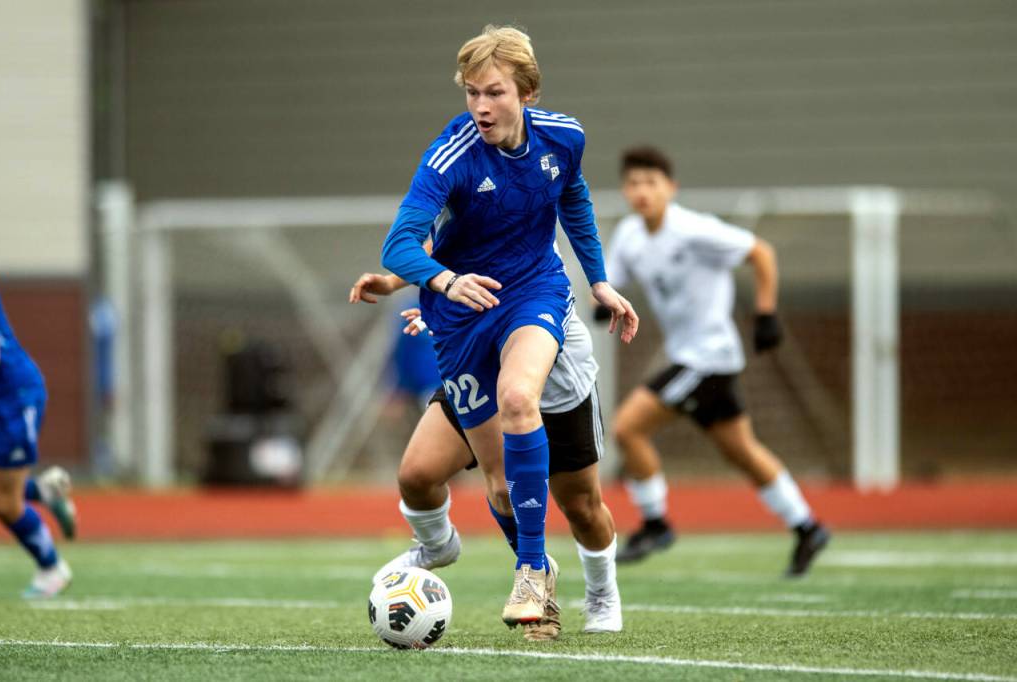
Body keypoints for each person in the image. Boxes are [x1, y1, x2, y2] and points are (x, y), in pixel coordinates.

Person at [379, 25, 637, 629]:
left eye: (494, 92)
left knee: (568, 480)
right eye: (472, 93)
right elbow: (399, 243)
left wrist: (598, 280)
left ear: (528, 92)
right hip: (465, 318)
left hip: (534, 295)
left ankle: (575, 585)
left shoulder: (563, 137)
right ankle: (515, 568)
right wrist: (442, 282)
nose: (481, 107)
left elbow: (573, 198)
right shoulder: (451, 154)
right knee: (494, 488)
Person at [351, 271, 622, 640]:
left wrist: (599, 283)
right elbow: (433, 249)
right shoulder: (449, 233)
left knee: (581, 506)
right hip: (479, 359)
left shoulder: (526, 239)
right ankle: (443, 547)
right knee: (419, 474)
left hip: (550, 373)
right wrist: (410, 290)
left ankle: (601, 593)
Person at [605, 146, 830, 576]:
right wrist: (606, 303)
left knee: (627, 428)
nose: (642, 191)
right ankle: (808, 527)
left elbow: (761, 252)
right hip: (693, 357)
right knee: (741, 451)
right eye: (633, 183)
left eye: (651, 182)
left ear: (671, 188)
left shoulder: (693, 229)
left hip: (707, 357)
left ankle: (655, 524)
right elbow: (611, 281)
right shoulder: (630, 235)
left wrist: (766, 314)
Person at [0, 280, 76, 597]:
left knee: (3, 502)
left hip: (12, 400)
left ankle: (52, 568)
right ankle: (44, 492)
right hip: (3, 397)